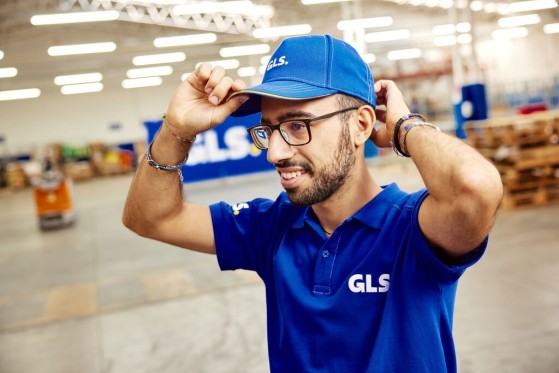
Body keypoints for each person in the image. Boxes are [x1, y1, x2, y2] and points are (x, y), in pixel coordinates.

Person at [123, 34, 503, 372]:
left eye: (296, 125)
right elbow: (150, 219)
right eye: (269, 130)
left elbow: (476, 189)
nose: (274, 152)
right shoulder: (271, 226)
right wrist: (177, 129)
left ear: (360, 124)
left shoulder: (413, 231)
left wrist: (404, 128)